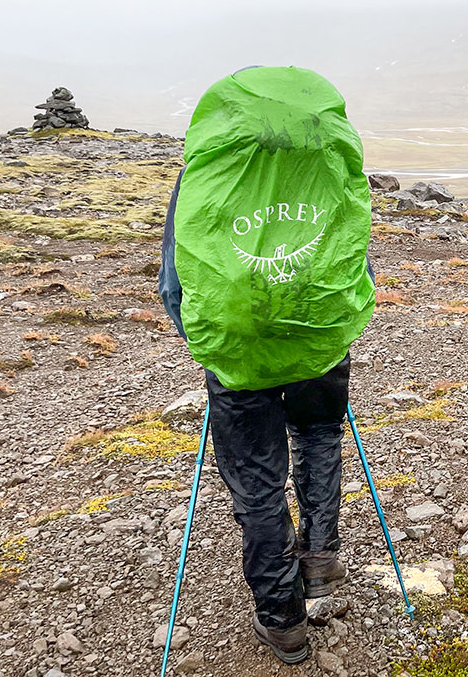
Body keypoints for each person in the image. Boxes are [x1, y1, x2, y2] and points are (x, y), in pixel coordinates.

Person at [158, 66, 376, 664]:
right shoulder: (332, 169)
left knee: (257, 479)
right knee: (320, 436)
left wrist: (209, 345)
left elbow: (175, 283)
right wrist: (339, 322)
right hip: (320, 337)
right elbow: (353, 258)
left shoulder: (206, 175)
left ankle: (282, 620)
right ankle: (323, 559)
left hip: (237, 348)